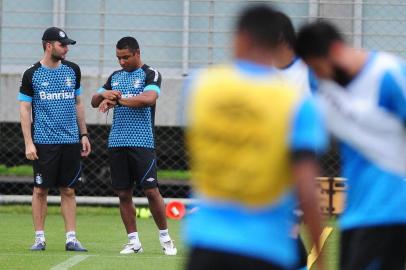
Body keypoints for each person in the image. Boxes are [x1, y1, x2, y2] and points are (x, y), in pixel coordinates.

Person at [183, 5, 326, 270]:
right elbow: (307, 186)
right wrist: (322, 256)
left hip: (205, 242)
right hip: (266, 244)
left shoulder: (201, 85)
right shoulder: (294, 103)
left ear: (241, 38)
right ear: (277, 42)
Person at [296, 21, 406, 270]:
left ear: (335, 50)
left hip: (388, 210)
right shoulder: (319, 83)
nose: (318, 75)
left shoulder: (390, 74)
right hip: (354, 213)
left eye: (317, 67)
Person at [90, 37, 177, 255]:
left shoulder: (150, 74)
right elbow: (93, 100)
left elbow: (148, 99)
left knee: (151, 191)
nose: (121, 62)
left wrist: (118, 100)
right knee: (123, 194)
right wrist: (104, 94)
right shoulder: (115, 76)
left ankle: (166, 239)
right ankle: (133, 242)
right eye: (118, 58)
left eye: (126, 57)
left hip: (142, 142)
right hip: (117, 142)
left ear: (137, 53)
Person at [19, 27, 91, 251]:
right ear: (49, 45)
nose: (66, 49)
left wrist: (84, 134)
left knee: (68, 190)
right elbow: (24, 109)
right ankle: (39, 238)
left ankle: (71, 238)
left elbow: (78, 103)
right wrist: (29, 142)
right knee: (40, 190)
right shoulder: (31, 74)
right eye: (63, 45)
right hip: (44, 140)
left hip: (70, 140)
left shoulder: (73, 70)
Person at [269, 11, 319, 270]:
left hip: (295, 155)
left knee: (287, 228)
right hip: (264, 156)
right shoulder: (260, 70)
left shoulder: (308, 70)